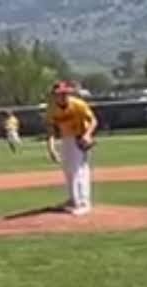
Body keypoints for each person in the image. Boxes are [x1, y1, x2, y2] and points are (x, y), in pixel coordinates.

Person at [45, 81, 97, 216]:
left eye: (65, 93)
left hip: (80, 138)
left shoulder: (78, 104)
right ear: (53, 95)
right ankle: (73, 199)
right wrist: (51, 149)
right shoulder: (51, 109)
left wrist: (87, 135)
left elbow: (93, 121)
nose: (63, 96)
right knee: (68, 170)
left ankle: (84, 202)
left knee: (79, 170)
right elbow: (51, 131)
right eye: (59, 94)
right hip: (66, 139)